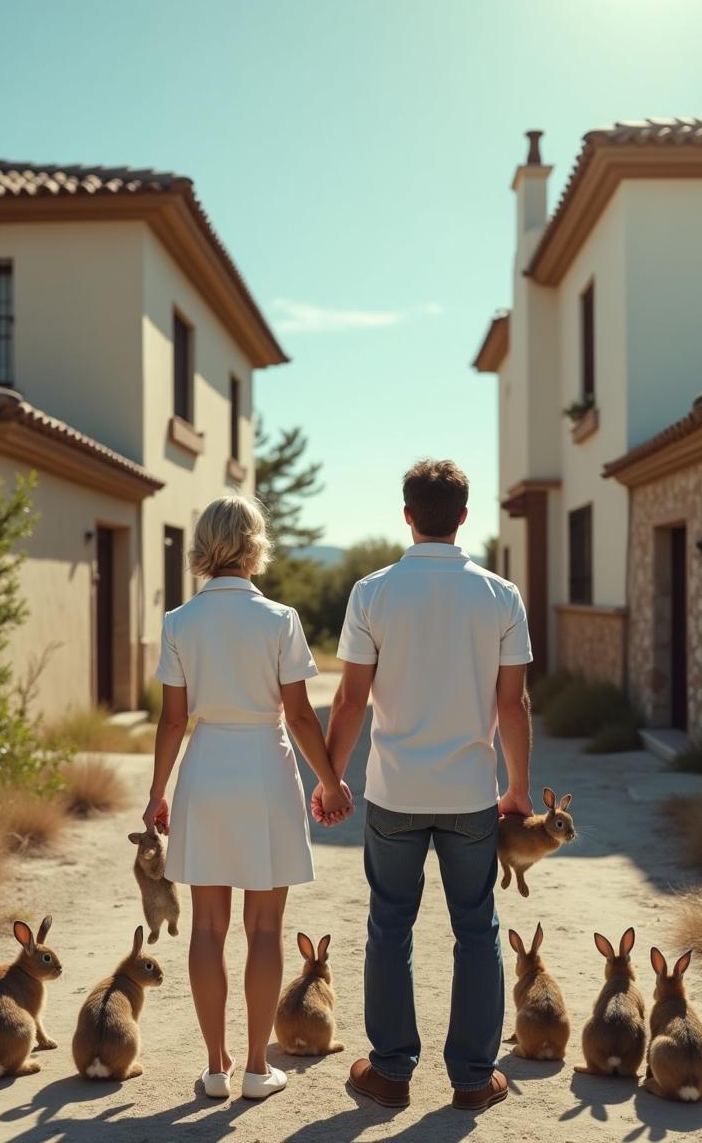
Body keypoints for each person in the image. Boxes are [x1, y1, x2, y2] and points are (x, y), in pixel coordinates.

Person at [312, 459, 533, 1112]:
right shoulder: (500, 595)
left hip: (394, 794)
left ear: (406, 514)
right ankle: (472, 1078)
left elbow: (350, 702)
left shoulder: (372, 592)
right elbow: (513, 706)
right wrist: (518, 788)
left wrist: (330, 781)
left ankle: (389, 1074)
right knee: (478, 929)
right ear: (464, 516)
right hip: (470, 794)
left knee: (389, 927)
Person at [143, 495, 350, 1102]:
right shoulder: (280, 619)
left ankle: (215, 1067)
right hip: (265, 768)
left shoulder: (179, 621)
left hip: (205, 772)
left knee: (207, 927)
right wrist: (331, 780)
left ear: (204, 548)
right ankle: (259, 1068)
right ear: (256, 545)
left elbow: (171, 721)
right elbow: (299, 716)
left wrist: (157, 792)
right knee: (265, 928)